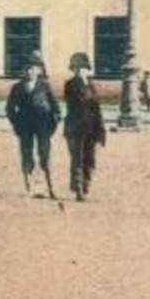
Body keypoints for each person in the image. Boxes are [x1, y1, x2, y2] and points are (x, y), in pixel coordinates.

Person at [4, 53, 61, 198]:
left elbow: (56, 107)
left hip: (43, 124)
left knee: (44, 155)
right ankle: (29, 186)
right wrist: (16, 123)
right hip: (25, 125)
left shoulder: (45, 86)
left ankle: (49, 187)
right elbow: (10, 109)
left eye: (33, 69)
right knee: (27, 154)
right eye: (27, 69)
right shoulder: (17, 87)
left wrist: (53, 123)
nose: (30, 72)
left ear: (39, 71)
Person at [63, 52, 106, 201]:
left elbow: (97, 109)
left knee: (90, 159)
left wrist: (101, 131)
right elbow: (77, 104)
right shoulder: (70, 85)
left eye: (82, 68)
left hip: (91, 129)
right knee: (77, 159)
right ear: (73, 69)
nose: (80, 70)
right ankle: (78, 189)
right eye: (76, 68)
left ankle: (85, 185)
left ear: (87, 69)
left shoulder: (91, 86)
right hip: (76, 128)